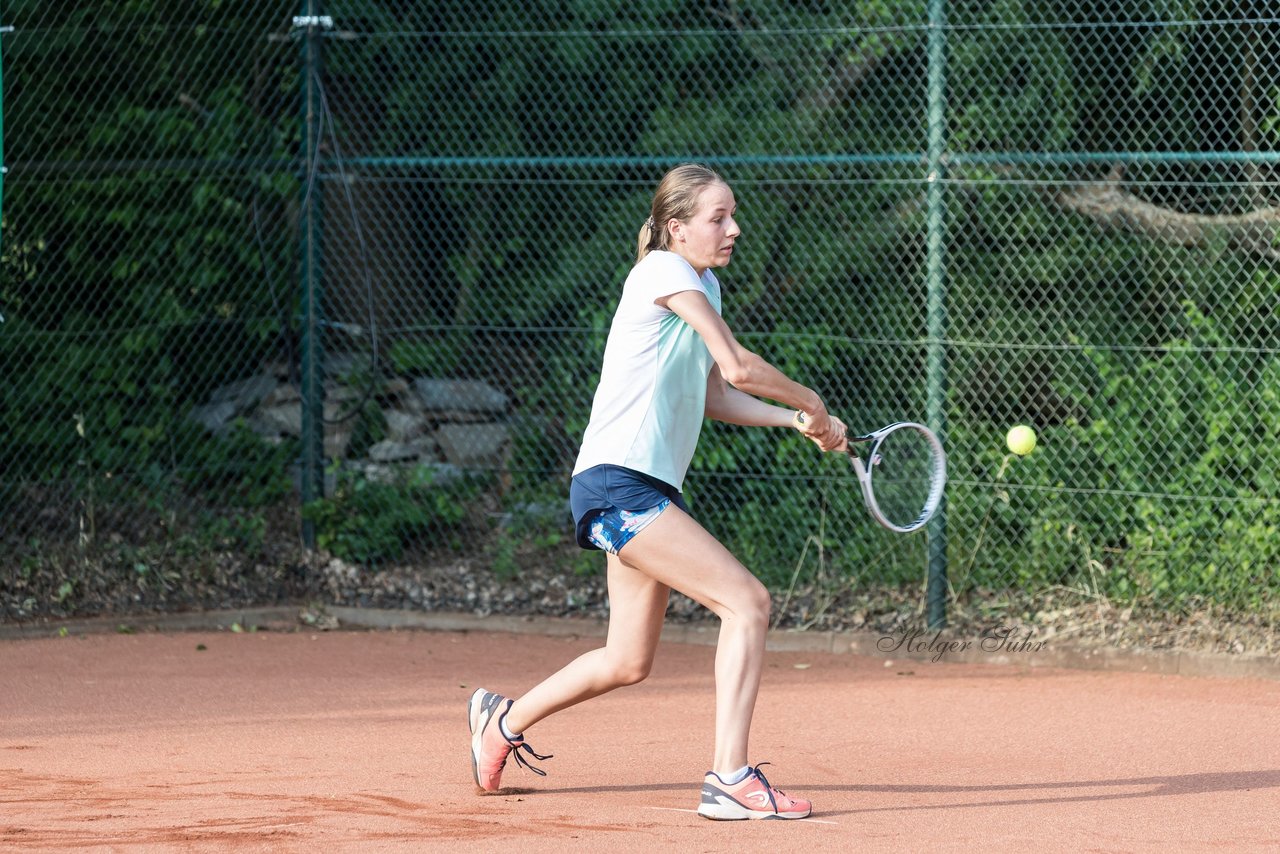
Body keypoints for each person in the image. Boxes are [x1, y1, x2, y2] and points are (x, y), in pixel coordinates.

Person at [468, 163, 847, 821]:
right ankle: (730, 778)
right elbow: (738, 364)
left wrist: (795, 421)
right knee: (747, 602)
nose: (734, 228)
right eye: (718, 217)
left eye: (733, 216)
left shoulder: (703, 287)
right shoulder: (664, 272)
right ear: (677, 226)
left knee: (627, 659)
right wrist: (812, 398)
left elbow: (714, 393)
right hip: (619, 483)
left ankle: (503, 720)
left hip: (633, 485)